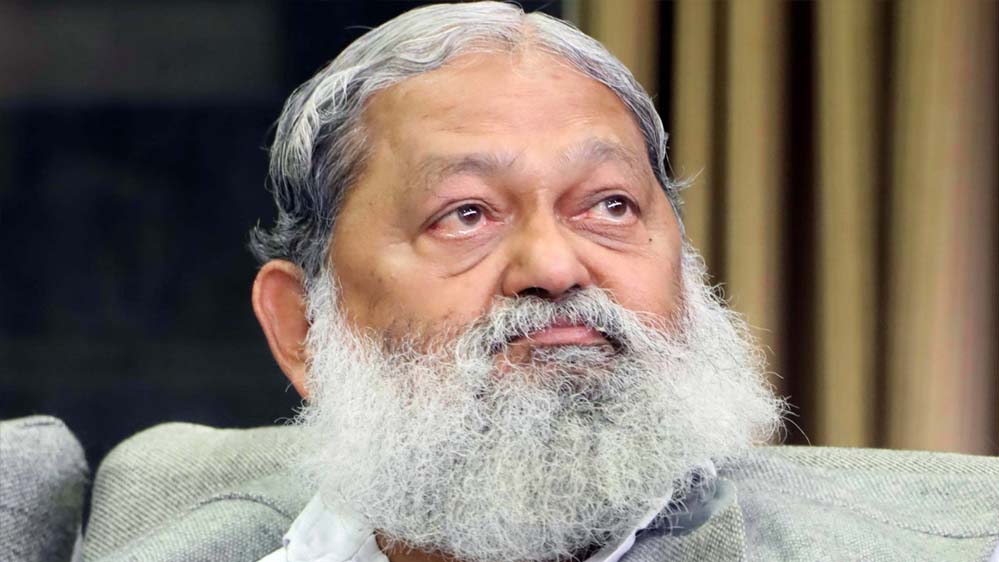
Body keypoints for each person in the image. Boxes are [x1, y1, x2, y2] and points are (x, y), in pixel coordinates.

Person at [78, 3, 996, 562]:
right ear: (302, 329)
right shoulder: (150, 514)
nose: (556, 268)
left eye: (609, 205)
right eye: (466, 214)